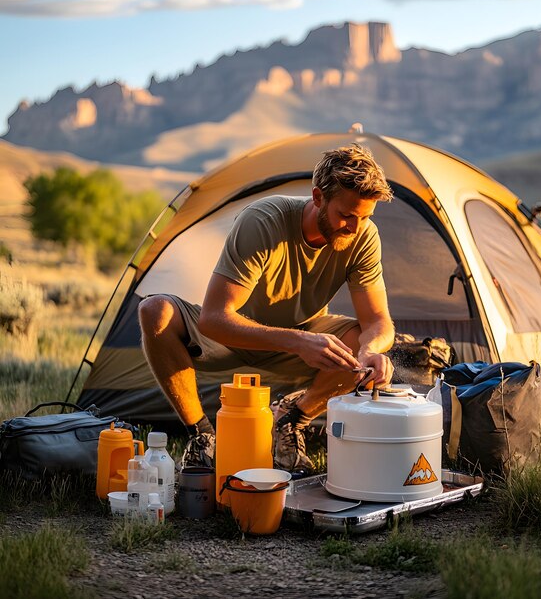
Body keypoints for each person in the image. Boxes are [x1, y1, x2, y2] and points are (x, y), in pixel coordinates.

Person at [138, 143, 395, 475]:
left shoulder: (363, 236)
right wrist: (297, 342)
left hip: (303, 337)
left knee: (364, 341)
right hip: (231, 336)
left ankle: (290, 420)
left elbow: (378, 321)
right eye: (345, 215)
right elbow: (214, 319)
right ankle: (202, 436)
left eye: (364, 217)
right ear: (318, 198)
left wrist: (371, 350)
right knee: (154, 311)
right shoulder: (264, 221)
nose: (354, 227)